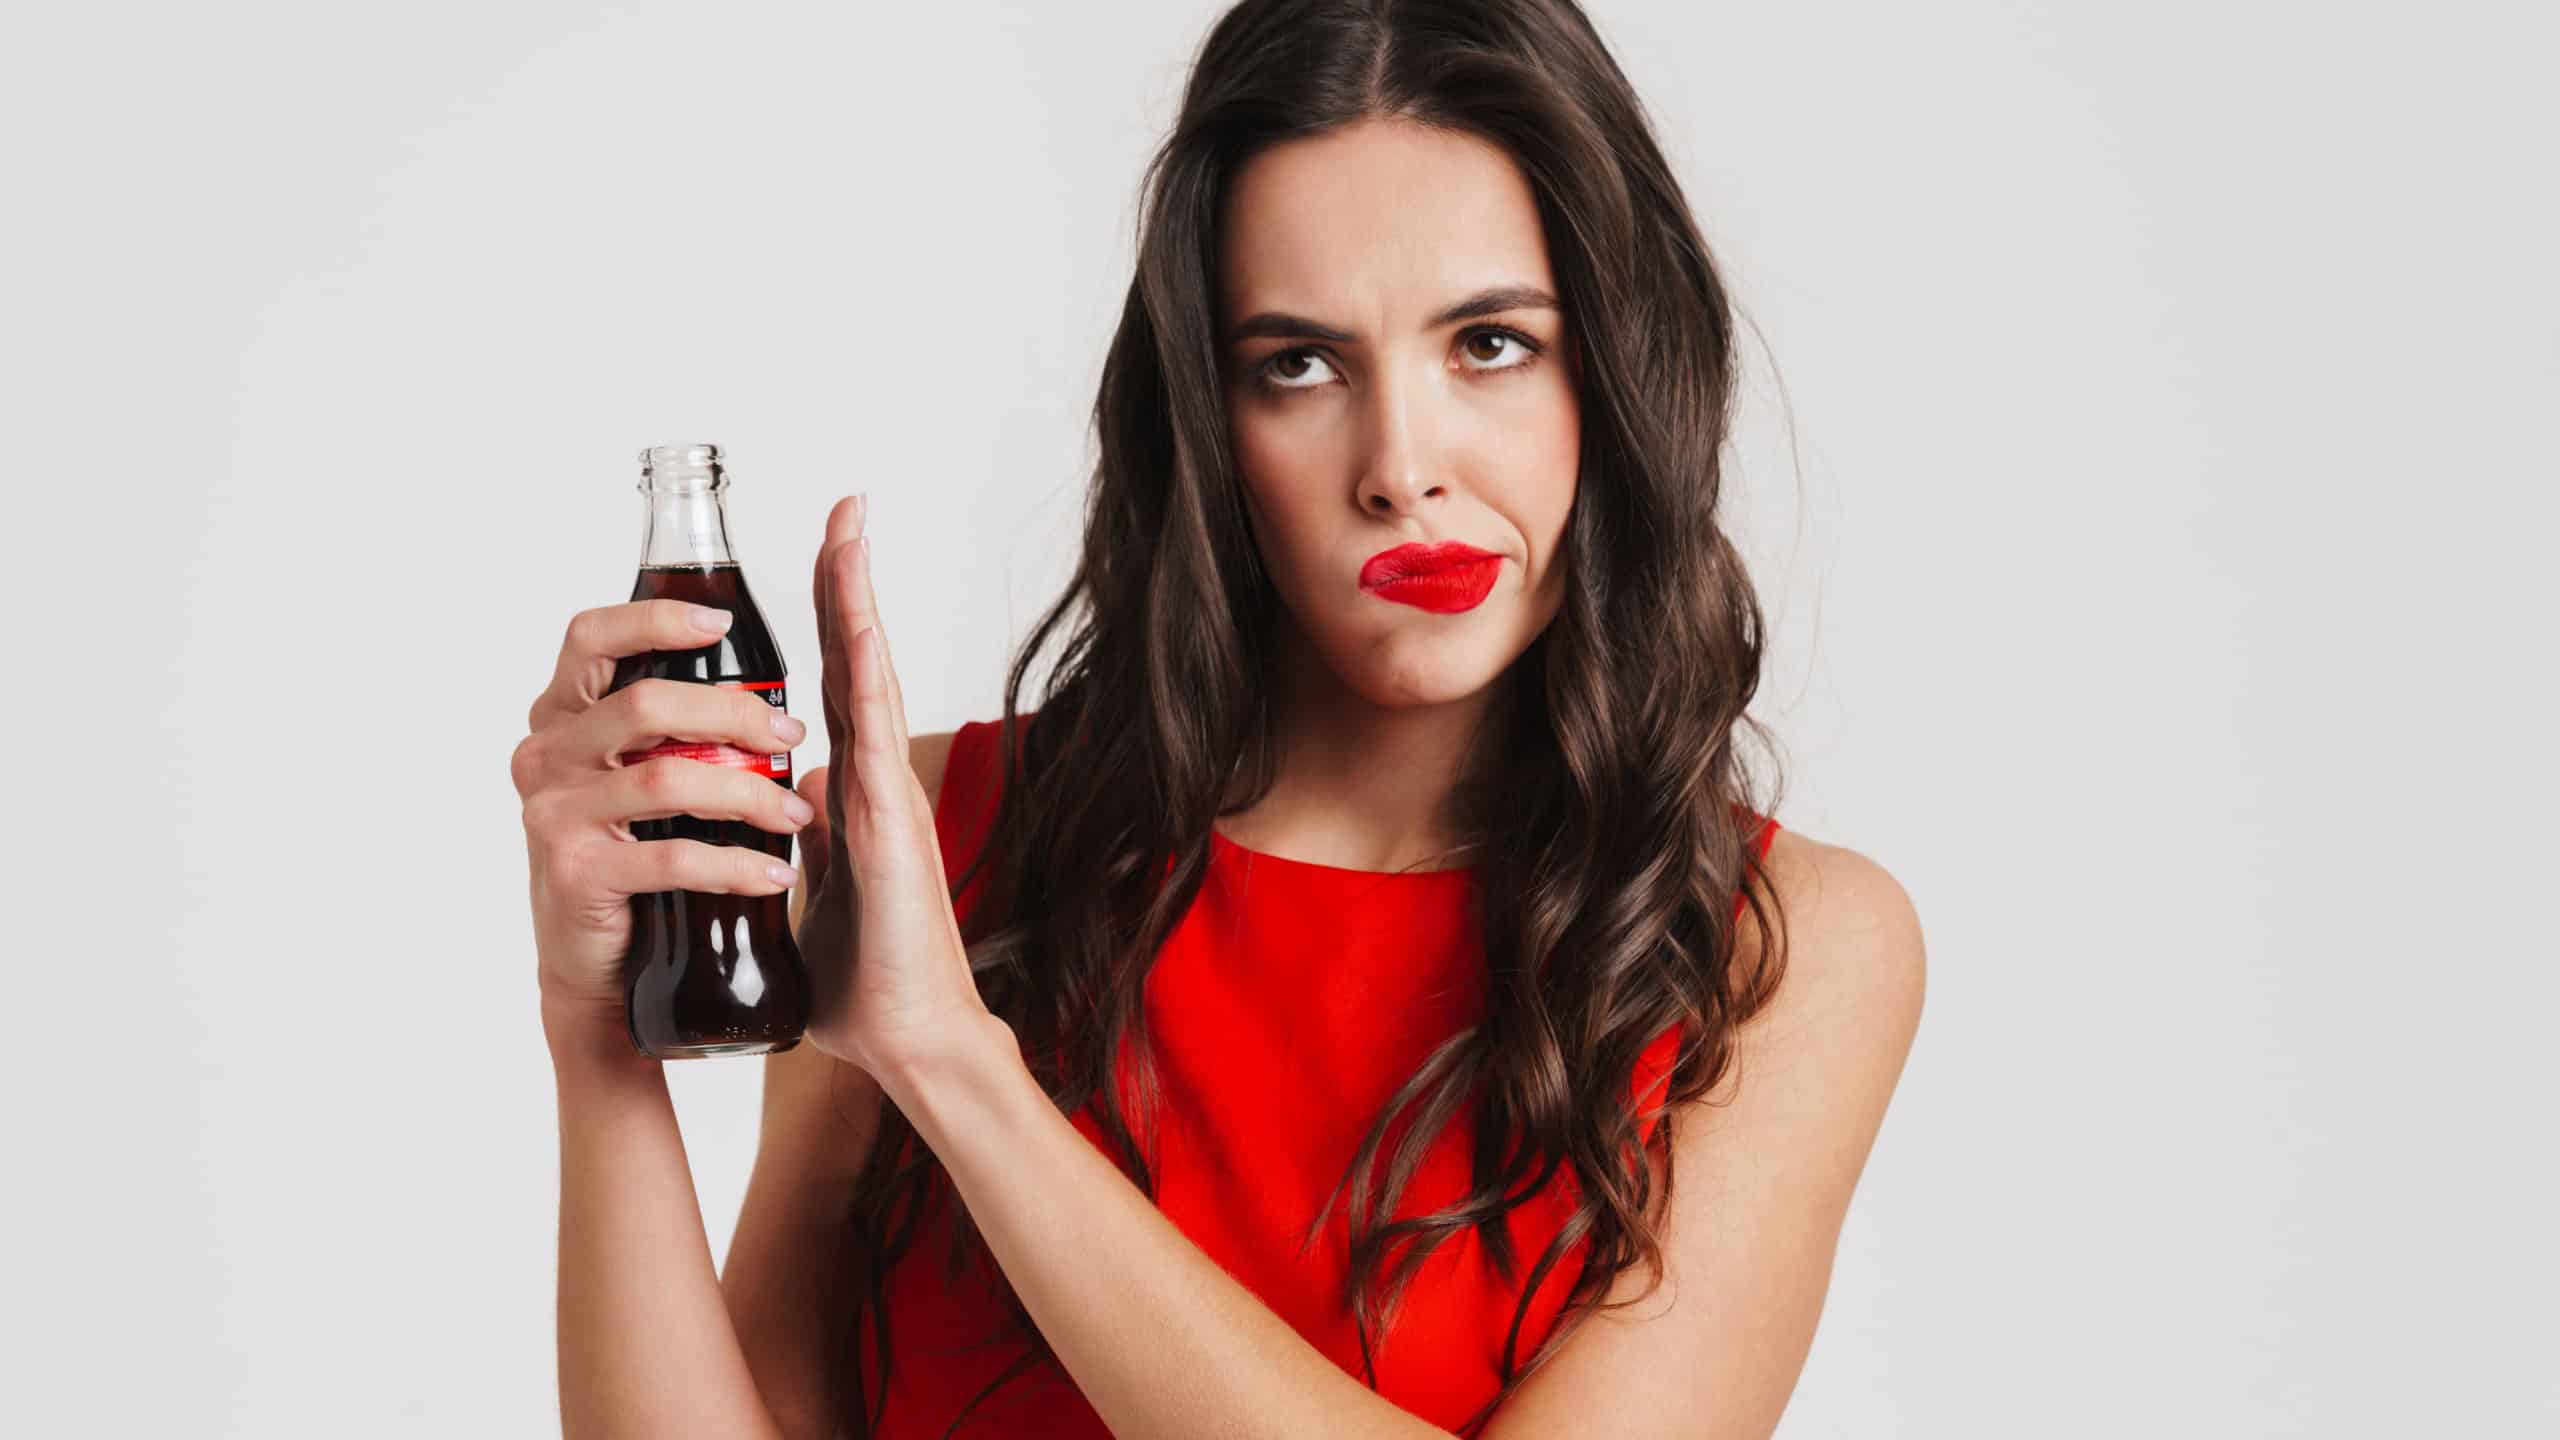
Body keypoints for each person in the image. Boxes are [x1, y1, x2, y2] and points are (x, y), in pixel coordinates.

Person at [509, 0, 1925, 1435]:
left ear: (1619, 370)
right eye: (1296, 366)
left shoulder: (1776, 946)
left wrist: (954, 1065)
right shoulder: (926, 844)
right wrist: (597, 1034)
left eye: (1490, 344)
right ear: (1204, 421)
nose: (1400, 466)